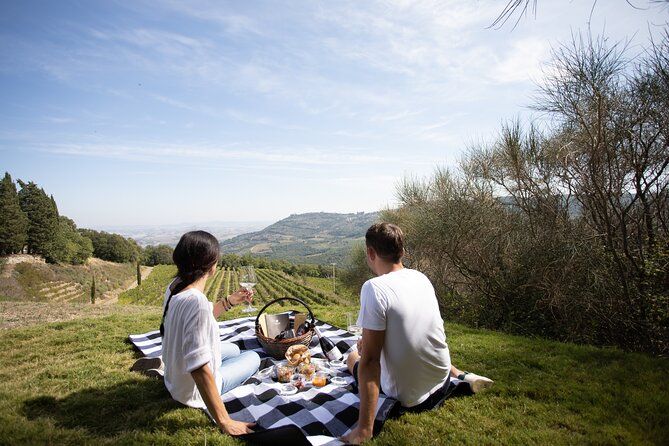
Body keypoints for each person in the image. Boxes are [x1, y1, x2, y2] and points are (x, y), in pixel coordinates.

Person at [343, 223, 493, 445]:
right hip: (441, 379)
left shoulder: (374, 288)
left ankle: (366, 427)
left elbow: (372, 361)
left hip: (410, 397)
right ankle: (461, 375)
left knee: (353, 357)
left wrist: (364, 429)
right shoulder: (420, 277)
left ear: (371, 253)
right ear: (401, 252)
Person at [157, 231, 260, 436]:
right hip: (190, 392)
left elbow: (200, 316)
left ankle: (161, 364)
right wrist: (225, 421)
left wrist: (229, 301)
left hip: (175, 376)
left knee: (233, 348)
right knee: (253, 357)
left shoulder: (176, 286)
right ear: (211, 264)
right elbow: (199, 367)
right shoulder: (196, 302)